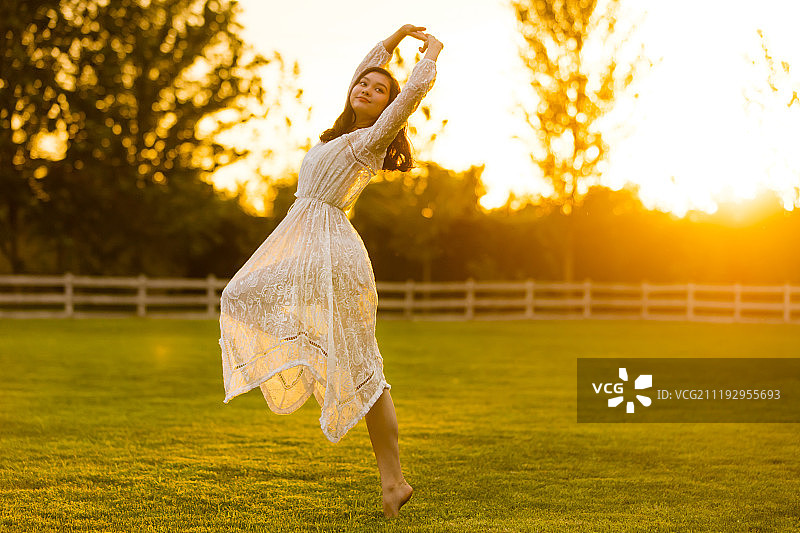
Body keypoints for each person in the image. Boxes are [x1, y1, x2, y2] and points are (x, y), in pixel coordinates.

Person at [218, 25, 443, 518]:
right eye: (363, 83)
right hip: (307, 242)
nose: (366, 88)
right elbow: (366, 69)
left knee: (364, 367)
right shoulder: (339, 135)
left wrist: (430, 55)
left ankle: (393, 480)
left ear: (386, 108)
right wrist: (394, 39)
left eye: (378, 90)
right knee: (239, 296)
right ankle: (391, 479)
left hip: (331, 252)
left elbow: (409, 95)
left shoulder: (369, 141)